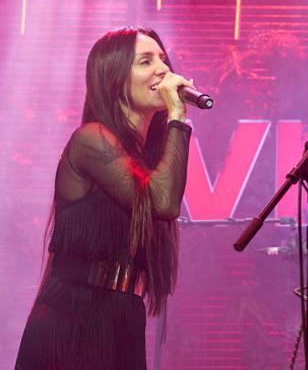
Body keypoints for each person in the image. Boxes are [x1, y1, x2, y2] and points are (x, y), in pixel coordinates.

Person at [15, 27, 194, 369]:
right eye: (146, 61)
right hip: (73, 318)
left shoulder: (147, 159)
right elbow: (164, 203)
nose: (163, 68)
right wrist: (178, 117)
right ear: (114, 80)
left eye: (163, 59)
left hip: (121, 314)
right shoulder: (91, 140)